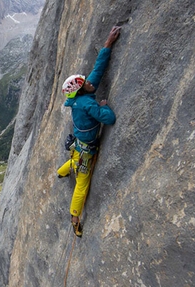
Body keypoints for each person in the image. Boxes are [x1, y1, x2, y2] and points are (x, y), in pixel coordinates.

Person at [57, 26, 121, 237]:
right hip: (85, 150)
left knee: (75, 159)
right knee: (82, 185)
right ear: (82, 89)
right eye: (85, 82)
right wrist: (101, 106)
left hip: (80, 145)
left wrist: (107, 45)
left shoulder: (79, 97)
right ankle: (75, 217)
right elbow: (109, 118)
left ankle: (62, 171)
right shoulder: (87, 104)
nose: (89, 81)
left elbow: (98, 70)